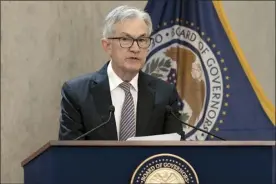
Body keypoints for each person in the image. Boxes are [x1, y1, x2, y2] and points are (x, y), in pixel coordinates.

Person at [58, 5, 183, 140]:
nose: (135, 48)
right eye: (125, 39)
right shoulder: (77, 93)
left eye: (141, 40)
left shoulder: (164, 94)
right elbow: (69, 155)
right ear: (107, 46)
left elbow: (175, 153)